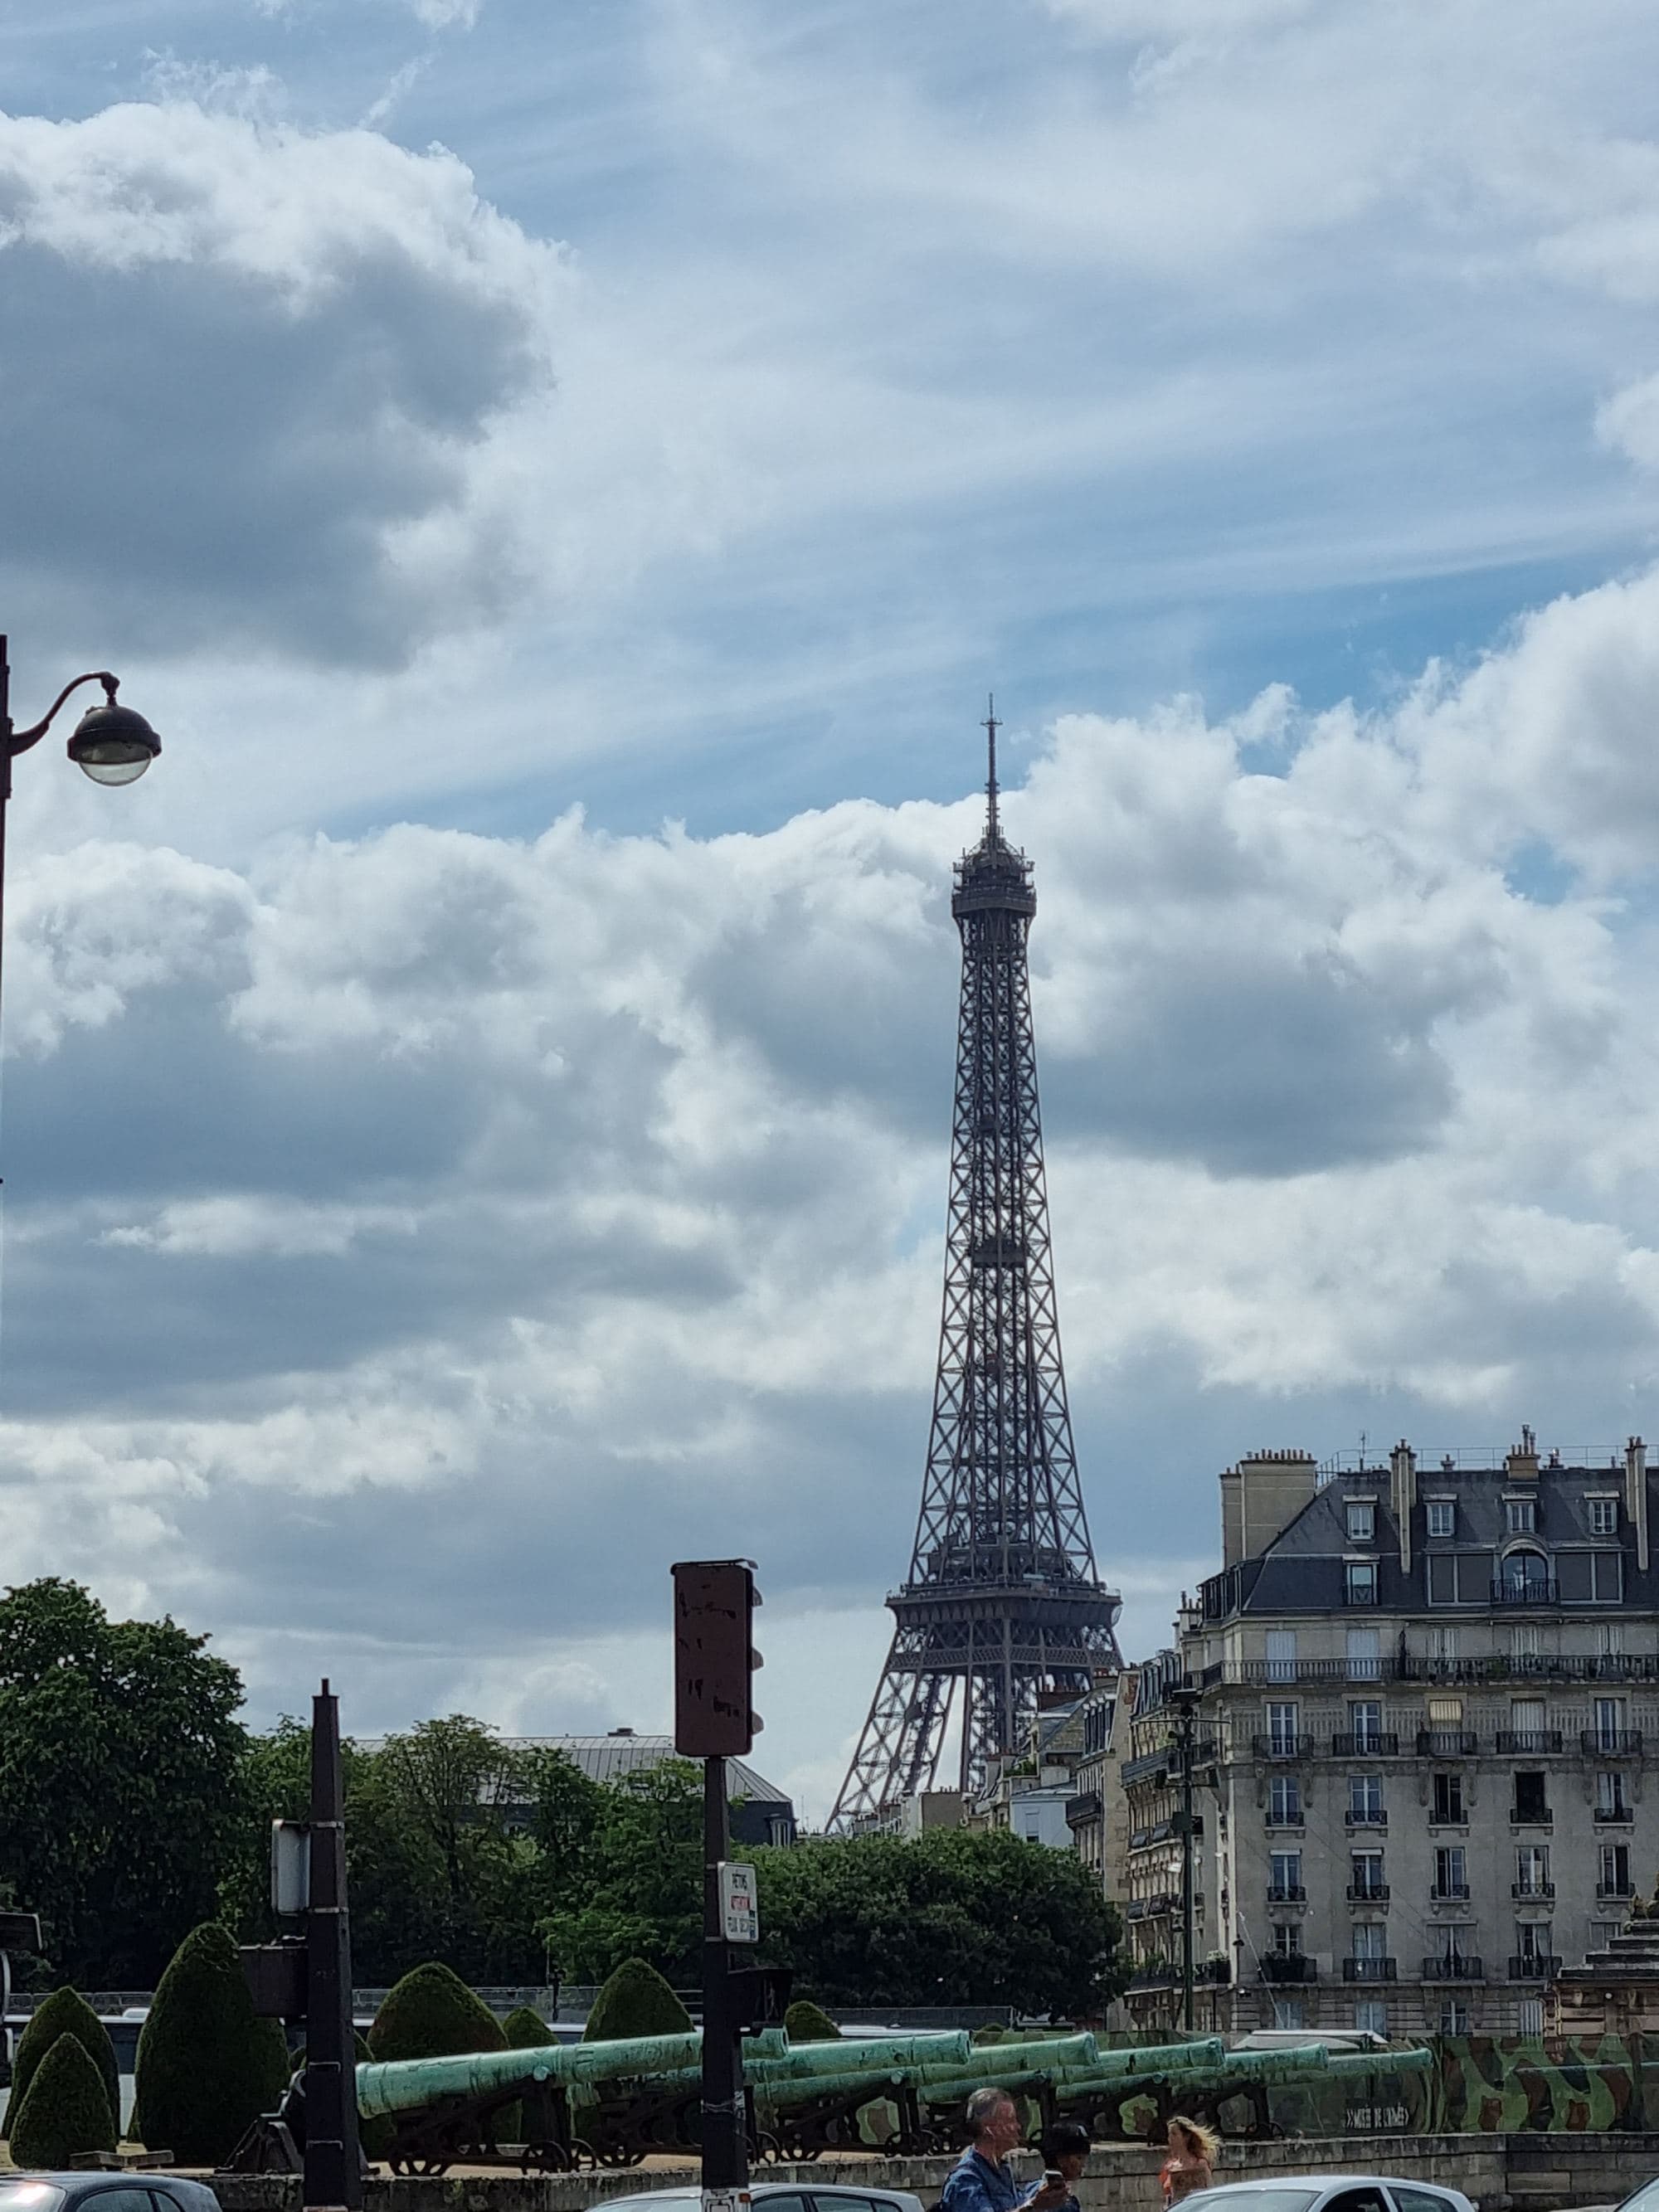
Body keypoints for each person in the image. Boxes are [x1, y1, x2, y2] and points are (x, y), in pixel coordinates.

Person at [941, 2088, 1073, 2212]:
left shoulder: (1001, 2170)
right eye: (1011, 2120)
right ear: (989, 2129)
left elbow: (1017, 2202)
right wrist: (1034, 2206)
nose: (1018, 2127)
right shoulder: (965, 2180)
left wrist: (1044, 2189)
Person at [1160, 2114, 1219, 2205]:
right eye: (1169, 2134)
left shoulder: (1200, 2164)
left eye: (1174, 2134)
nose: (1170, 2138)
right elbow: (1169, 2197)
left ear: (1186, 2137)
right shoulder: (1170, 2167)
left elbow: (1209, 2192)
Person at [1039, 2119, 1091, 2212]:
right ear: (1061, 2160)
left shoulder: (1034, 2188)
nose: (1083, 2164)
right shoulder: (1058, 2200)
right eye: (1079, 2158)